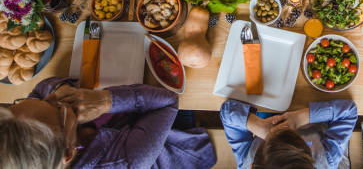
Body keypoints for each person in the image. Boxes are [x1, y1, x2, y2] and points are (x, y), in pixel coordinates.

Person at [0, 77, 216, 168]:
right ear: (68, 151)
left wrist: (57, 91)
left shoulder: (22, 131)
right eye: (56, 108)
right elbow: (168, 101)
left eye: (24, 102)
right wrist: (106, 100)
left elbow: (40, 90)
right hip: (165, 140)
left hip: (131, 108)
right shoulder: (126, 162)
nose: (51, 97)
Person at [220, 99, 358, 169]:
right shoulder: (327, 161)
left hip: (265, 106)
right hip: (311, 104)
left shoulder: (247, 161)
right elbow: (348, 111)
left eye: (271, 141)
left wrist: (259, 126)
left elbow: (227, 112)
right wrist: (301, 117)